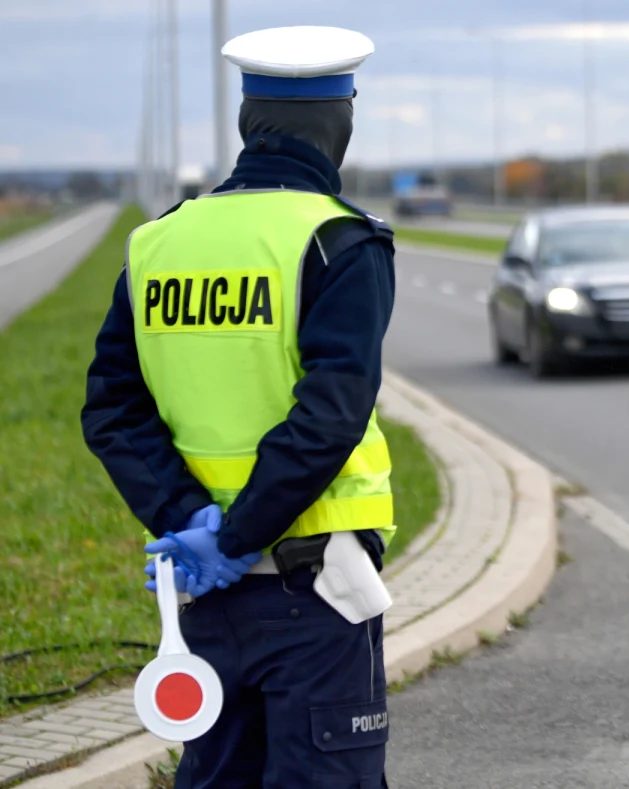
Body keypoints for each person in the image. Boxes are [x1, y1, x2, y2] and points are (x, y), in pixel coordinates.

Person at [81, 26, 397, 789]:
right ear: (340, 124)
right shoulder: (341, 244)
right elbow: (329, 416)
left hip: (201, 592)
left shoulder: (157, 243)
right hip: (315, 588)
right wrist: (242, 535)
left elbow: (112, 409)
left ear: (247, 126)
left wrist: (190, 521)